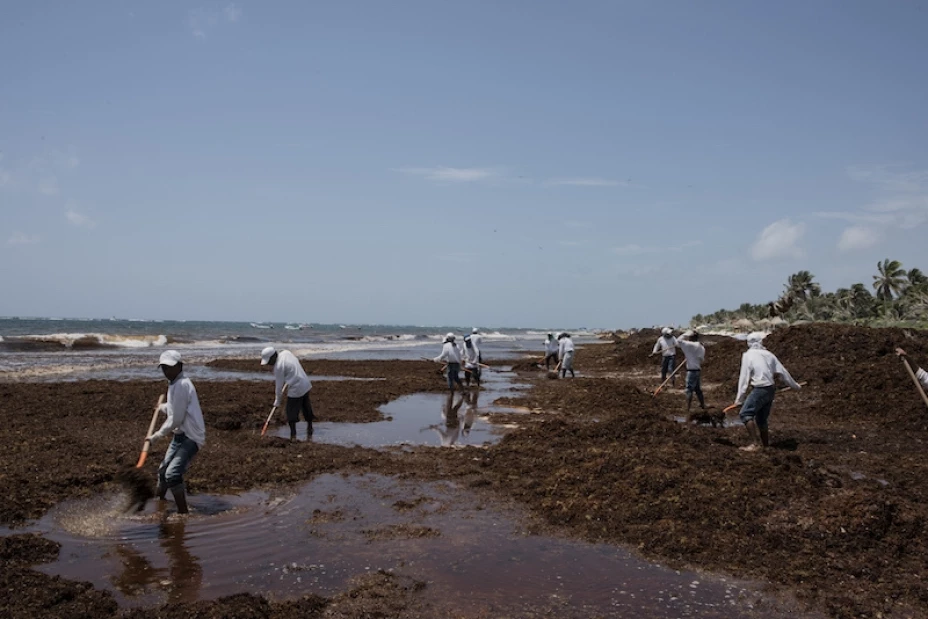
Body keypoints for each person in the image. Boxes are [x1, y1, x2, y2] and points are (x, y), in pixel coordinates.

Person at [147, 350, 206, 515]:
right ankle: (159, 502)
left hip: (191, 436)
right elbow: (175, 408)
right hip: (180, 434)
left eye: (170, 367)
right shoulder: (174, 383)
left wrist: (156, 436)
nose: (166, 371)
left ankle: (183, 513)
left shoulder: (181, 384)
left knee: (172, 474)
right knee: (162, 471)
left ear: (180, 366)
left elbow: (176, 420)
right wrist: (162, 407)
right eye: (164, 367)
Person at [733, 332, 801, 452]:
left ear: (748, 343)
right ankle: (765, 446)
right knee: (761, 419)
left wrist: (739, 399)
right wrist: (795, 386)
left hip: (760, 388)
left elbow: (744, 378)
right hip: (770, 389)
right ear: (760, 341)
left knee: (745, 414)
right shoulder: (769, 354)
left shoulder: (748, 355)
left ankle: (755, 444)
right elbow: (783, 372)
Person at [261, 346, 313, 441]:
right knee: (306, 407)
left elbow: (279, 386)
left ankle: (293, 435)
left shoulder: (278, 367)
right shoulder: (286, 353)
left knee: (291, 412)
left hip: (296, 387)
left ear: (273, 357)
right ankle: (310, 428)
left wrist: (277, 400)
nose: (268, 364)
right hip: (305, 382)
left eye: (268, 361)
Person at [675, 330, 707, 416]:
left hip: (691, 371)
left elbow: (678, 341)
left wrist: (685, 334)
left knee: (689, 390)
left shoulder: (689, 345)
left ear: (691, 337)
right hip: (697, 370)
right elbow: (701, 359)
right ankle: (703, 405)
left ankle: (687, 409)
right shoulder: (701, 347)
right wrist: (691, 356)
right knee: (697, 390)